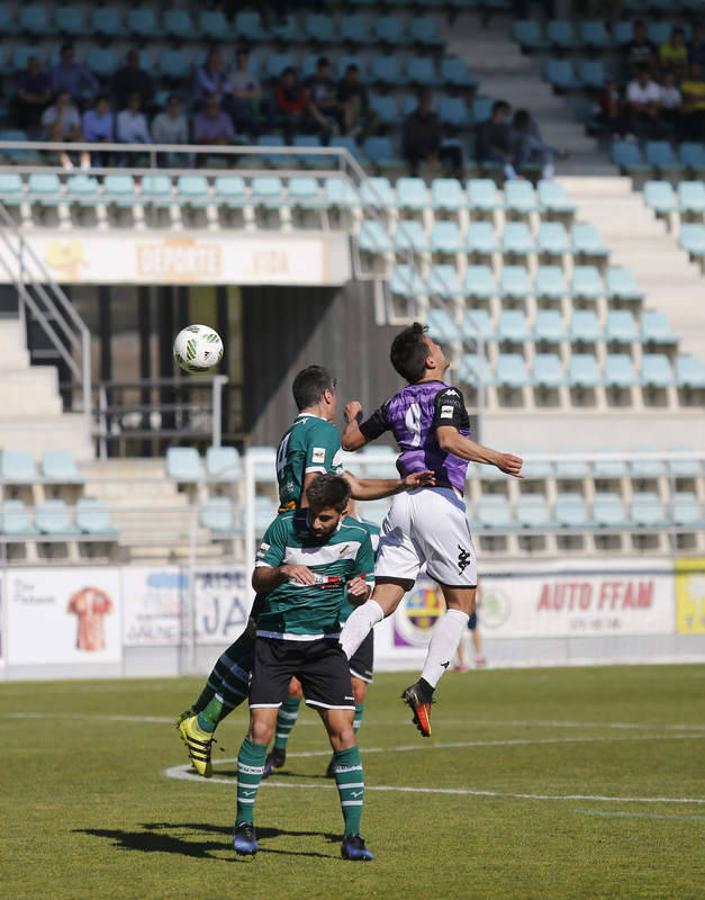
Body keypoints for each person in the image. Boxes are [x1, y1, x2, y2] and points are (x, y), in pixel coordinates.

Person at [176, 365, 433, 777]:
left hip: (290, 540)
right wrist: (327, 541)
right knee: (265, 648)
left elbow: (345, 484)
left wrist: (402, 484)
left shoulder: (291, 434)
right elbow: (319, 487)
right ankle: (202, 722)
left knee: (254, 638)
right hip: (301, 547)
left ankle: (198, 718)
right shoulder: (323, 433)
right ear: (328, 396)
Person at [338, 323, 523, 738]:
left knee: (382, 599)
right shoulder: (448, 393)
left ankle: (334, 659)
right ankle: (424, 687)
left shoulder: (395, 401)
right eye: (434, 344)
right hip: (438, 501)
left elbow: (350, 442)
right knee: (461, 603)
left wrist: (351, 417)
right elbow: (447, 438)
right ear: (430, 359)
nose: (440, 346)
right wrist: (496, 459)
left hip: (402, 503)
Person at [233, 474, 374, 860]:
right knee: (259, 729)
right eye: (313, 515)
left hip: (324, 647)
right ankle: (244, 824)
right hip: (275, 643)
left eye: (325, 519)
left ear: (343, 512)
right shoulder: (283, 526)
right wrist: (282, 571)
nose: (315, 524)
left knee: (344, 735)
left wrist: (361, 592)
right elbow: (258, 579)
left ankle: (353, 836)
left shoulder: (359, 538)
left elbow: (366, 585)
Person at [262, 499, 380, 780]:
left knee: (357, 691)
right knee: (292, 688)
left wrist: (367, 594)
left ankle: (340, 757)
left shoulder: (373, 533)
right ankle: (278, 750)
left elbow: (380, 576)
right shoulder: (310, 530)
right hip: (315, 622)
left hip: (356, 621)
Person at [41, 90, 90, 170]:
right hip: (50, 141)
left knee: (81, 139)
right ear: (57, 100)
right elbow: (54, 132)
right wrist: (61, 113)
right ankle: (67, 164)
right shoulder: (49, 112)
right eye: (62, 100)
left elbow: (77, 131)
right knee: (57, 139)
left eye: (67, 100)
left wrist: (65, 135)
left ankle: (86, 164)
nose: (65, 103)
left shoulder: (72, 110)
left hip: (68, 137)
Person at [402, 89, 442, 177]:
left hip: (431, 152)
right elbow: (410, 143)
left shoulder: (434, 119)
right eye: (425, 99)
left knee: (454, 151)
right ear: (420, 101)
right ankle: (414, 178)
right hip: (416, 151)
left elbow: (437, 139)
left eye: (429, 100)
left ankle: (457, 177)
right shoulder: (411, 120)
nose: (427, 102)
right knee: (413, 155)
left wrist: (434, 154)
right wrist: (426, 154)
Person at [509, 108, 556, 180]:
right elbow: (510, 146)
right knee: (527, 140)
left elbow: (538, 143)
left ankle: (548, 180)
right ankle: (554, 151)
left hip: (533, 155)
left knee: (547, 154)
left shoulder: (532, 126)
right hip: (518, 157)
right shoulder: (511, 128)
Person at [476, 99, 517, 179]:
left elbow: (507, 144)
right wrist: (502, 153)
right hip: (485, 154)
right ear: (496, 111)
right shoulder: (485, 126)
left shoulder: (504, 128)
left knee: (513, 155)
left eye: (505, 112)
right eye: (503, 111)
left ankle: (510, 177)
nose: (504, 114)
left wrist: (510, 152)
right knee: (503, 157)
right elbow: (485, 146)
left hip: (500, 156)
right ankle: (513, 178)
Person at [15, 56, 51, 135]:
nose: (36, 67)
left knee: (50, 103)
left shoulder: (44, 77)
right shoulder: (23, 76)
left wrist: (36, 99)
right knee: (20, 104)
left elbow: (48, 95)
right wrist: (37, 99)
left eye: (38, 65)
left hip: (41, 104)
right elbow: (21, 95)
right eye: (34, 65)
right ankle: (24, 132)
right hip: (26, 104)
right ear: (29, 65)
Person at [625, 65, 663, 138]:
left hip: (650, 110)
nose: (644, 78)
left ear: (649, 76)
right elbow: (633, 104)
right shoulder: (632, 85)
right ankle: (633, 136)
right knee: (631, 112)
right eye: (642, 76)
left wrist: (648, 107)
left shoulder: (655, 86)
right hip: (637, 111)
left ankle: (656, 138)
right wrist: (647, 109)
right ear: (638, 77)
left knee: (656, 114)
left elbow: (657, 103)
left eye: (646, 76)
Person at [337, 63, 374, 138]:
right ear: (347, 74)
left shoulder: (361, 86)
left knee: (375, 116)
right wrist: (350, 102)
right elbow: (338, 101)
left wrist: (358, 103)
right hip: (345, 110)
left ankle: (363, 135)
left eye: (354, 74)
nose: (352, 76)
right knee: (349, 106)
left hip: (360, 109)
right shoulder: (341, 85)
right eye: (350, 74)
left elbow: (366, 103)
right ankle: (350, 131)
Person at [306, 56, 339, 137]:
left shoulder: (330, 82)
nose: (324, 71)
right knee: (311, 106)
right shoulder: (310, 80)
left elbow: (334, 100)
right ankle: (326, 124)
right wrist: (316, 103)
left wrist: (325, 103)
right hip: (314, 109)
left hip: (327, 108)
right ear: (318, 68)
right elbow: (306, 97)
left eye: (326, 69)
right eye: (322, 69)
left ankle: (331, 127)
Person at [230, 48, 261, 134]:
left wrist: (242, 93)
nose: (241, 62)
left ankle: (257, 137)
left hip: (251, 106)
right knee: (241, 106)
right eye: (239, 60)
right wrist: (249, 93)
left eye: (244, 60)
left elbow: (258, 94)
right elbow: (234, 94)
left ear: (247, 61)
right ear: (237, 60)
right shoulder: (232, 76)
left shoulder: (252, 76)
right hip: (238, 107)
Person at [275, 67, 307, 141]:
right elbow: (281, 103)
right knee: (289, 119)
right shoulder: (280, 88)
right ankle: (289, 142)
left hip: (298, 112)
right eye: (287, 77)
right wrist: (293, 109)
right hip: (284, 112)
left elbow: (302, 102)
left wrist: (297, 110)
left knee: (307, 118)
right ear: (284, 78)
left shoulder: (299, 88)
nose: (289, 79)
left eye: (291, 77)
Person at [82, 94, 114, 167]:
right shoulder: (88, 115)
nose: (103, 108)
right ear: (96, 105)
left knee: (108, 147)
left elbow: (109, 135)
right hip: (90, 141)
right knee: (90, 145)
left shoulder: (109, 117)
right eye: (101, 105)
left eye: (105, 106)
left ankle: (104, 171)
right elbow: (86, 133)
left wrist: (105, 140)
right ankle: (91, 167)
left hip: (104, 142)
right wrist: (96, 140)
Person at [116, 92, 151, 158]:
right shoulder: (121, 116)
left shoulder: (142, 118)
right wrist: (134, 141)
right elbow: (121, 135)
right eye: (133, 100)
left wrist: (150, 146)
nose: (135, 103)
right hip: (126, 147)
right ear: (129, 102)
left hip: (140, 147)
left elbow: (146, 135)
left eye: (137, 101)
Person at [453, 601, 486, 670]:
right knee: (472, 628)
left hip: (457, 604)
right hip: (467, 602)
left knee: (456, 630)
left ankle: (463, 661)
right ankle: (478, 656)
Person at [680, 62, 705, 142]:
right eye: (694, 70)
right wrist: (701, 96)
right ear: (690, 71)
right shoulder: (686, 84)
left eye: (698, 69)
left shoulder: (703, 85)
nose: (696, 71)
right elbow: (688, 98)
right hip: (692, 112)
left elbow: (692, 97)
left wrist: (694, 96)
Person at [659, 72, 682, 137]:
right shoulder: (659, 90)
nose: (668, 82)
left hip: (673, 112)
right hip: (662, 111)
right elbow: (658, 103)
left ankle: (677, 136)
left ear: (673, 81)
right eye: (667, 80)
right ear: (663, 80)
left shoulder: (676, 91)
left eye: (670, 80)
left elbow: (678, 104)